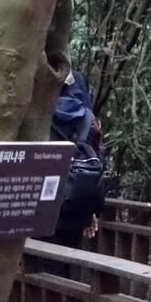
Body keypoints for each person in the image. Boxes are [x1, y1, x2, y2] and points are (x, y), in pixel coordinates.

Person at [42, 68, 107, 250]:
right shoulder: (87, 119)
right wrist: (88, 210)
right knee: (65, 268)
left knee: (39, 269)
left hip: (39, 208)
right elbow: (96, 158)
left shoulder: (38, 117)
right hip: (74, 207)